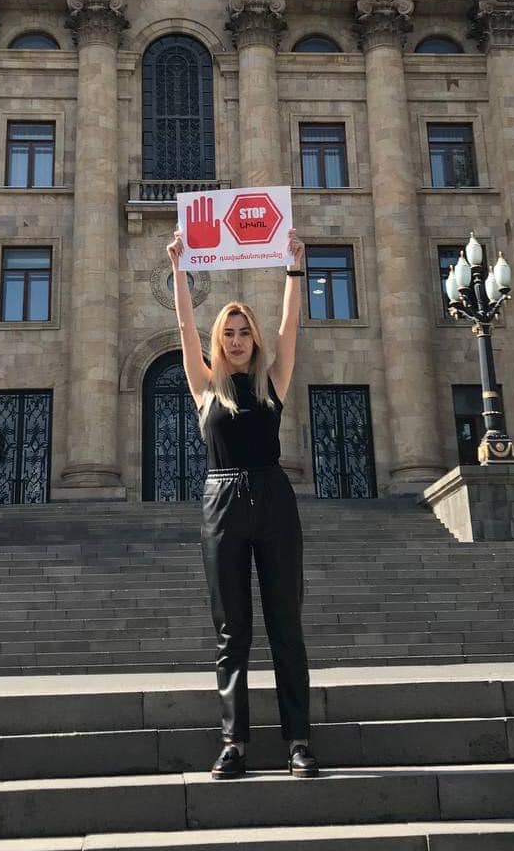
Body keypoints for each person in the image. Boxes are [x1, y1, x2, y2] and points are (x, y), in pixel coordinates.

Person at [166, 224, 318, 781]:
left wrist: (294, 267)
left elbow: (289, 326)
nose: (236, 340)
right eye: (228, 333)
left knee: (285, 625)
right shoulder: (205, 387)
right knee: (232, 631)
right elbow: (184, 326)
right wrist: (178, 268)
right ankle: (234, 743)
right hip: (222, 501)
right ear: (218, 340)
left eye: (244, 332)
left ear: (254, 340)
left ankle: (298, 742)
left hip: (274, 500)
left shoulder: (272, 382)